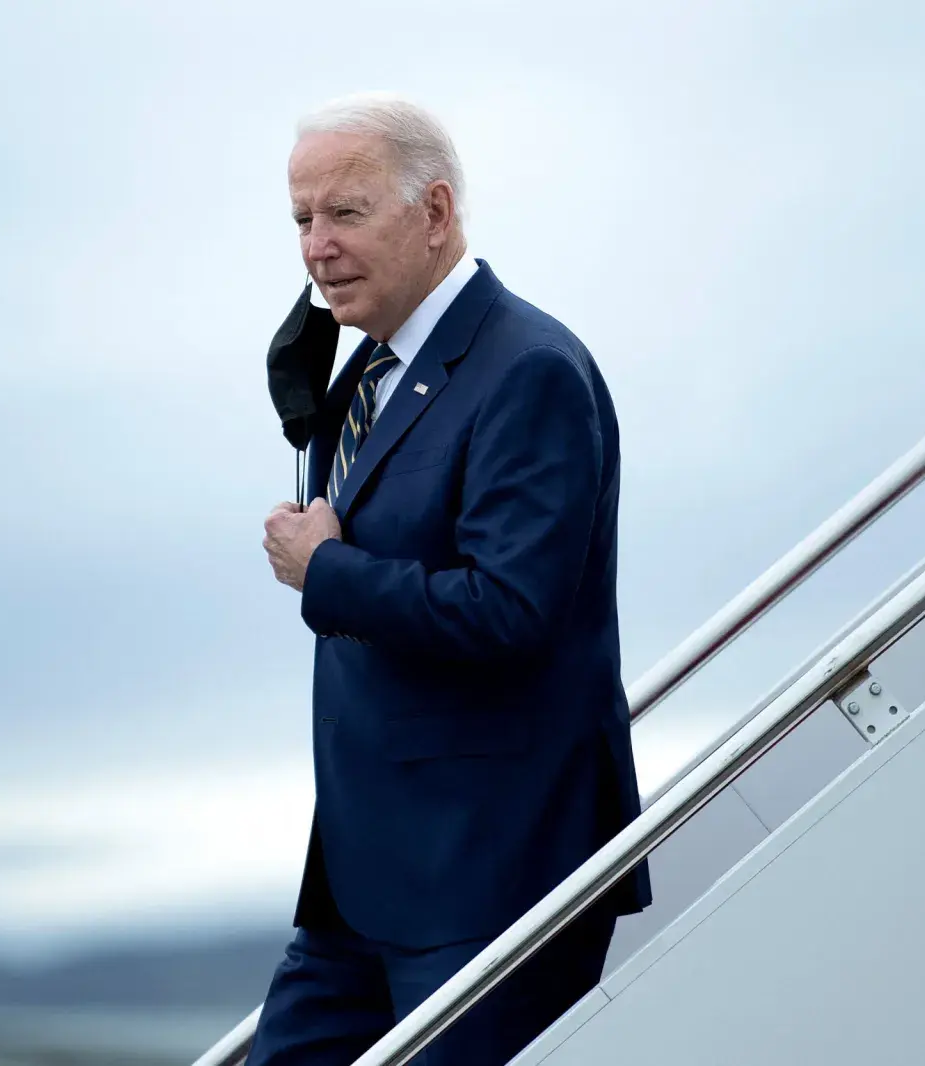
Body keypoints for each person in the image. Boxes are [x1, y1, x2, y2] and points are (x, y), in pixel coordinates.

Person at [256, 91, 651, 1066]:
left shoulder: (530, 369)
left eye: (345, 213)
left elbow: (511, 612)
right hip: (360, 881)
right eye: (302, 219)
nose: (316, 248)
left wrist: (325, 570)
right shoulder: (361, 376)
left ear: (433, 212)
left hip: (492, 877)